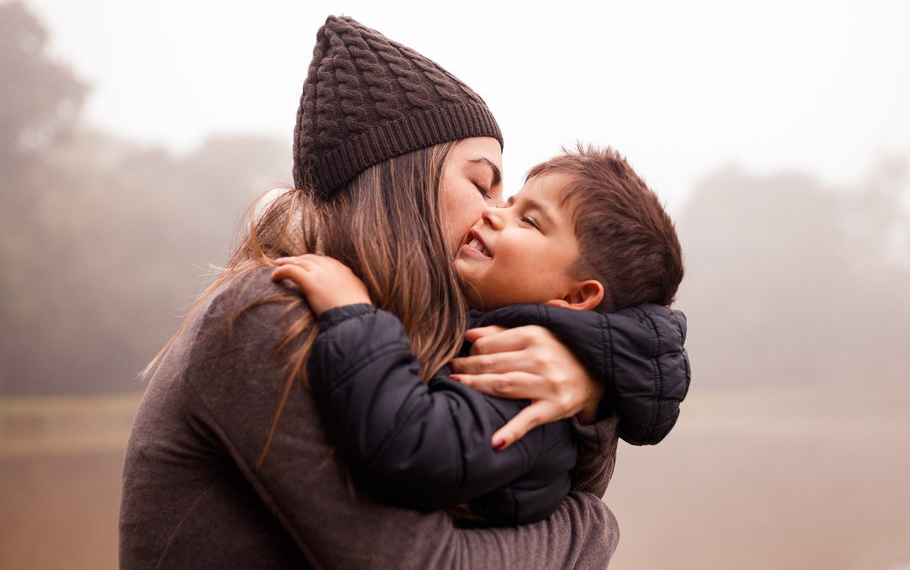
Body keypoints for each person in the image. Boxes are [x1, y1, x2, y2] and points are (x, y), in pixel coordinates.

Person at [111, 15, 740, 570]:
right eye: (484, 183)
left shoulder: (411, 324)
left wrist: (584, 385)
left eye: (515, 205)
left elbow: (525, 488)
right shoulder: (274, 315)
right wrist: (593, 528)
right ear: (404, 179)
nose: (493, 211)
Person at [272, 145, 689, 529]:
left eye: (528, 220)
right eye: (509, 204)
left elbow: (412, 449)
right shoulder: (489, 333)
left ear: (577, 296)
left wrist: (353, 315)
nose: (492, 213)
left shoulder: (521, 384)